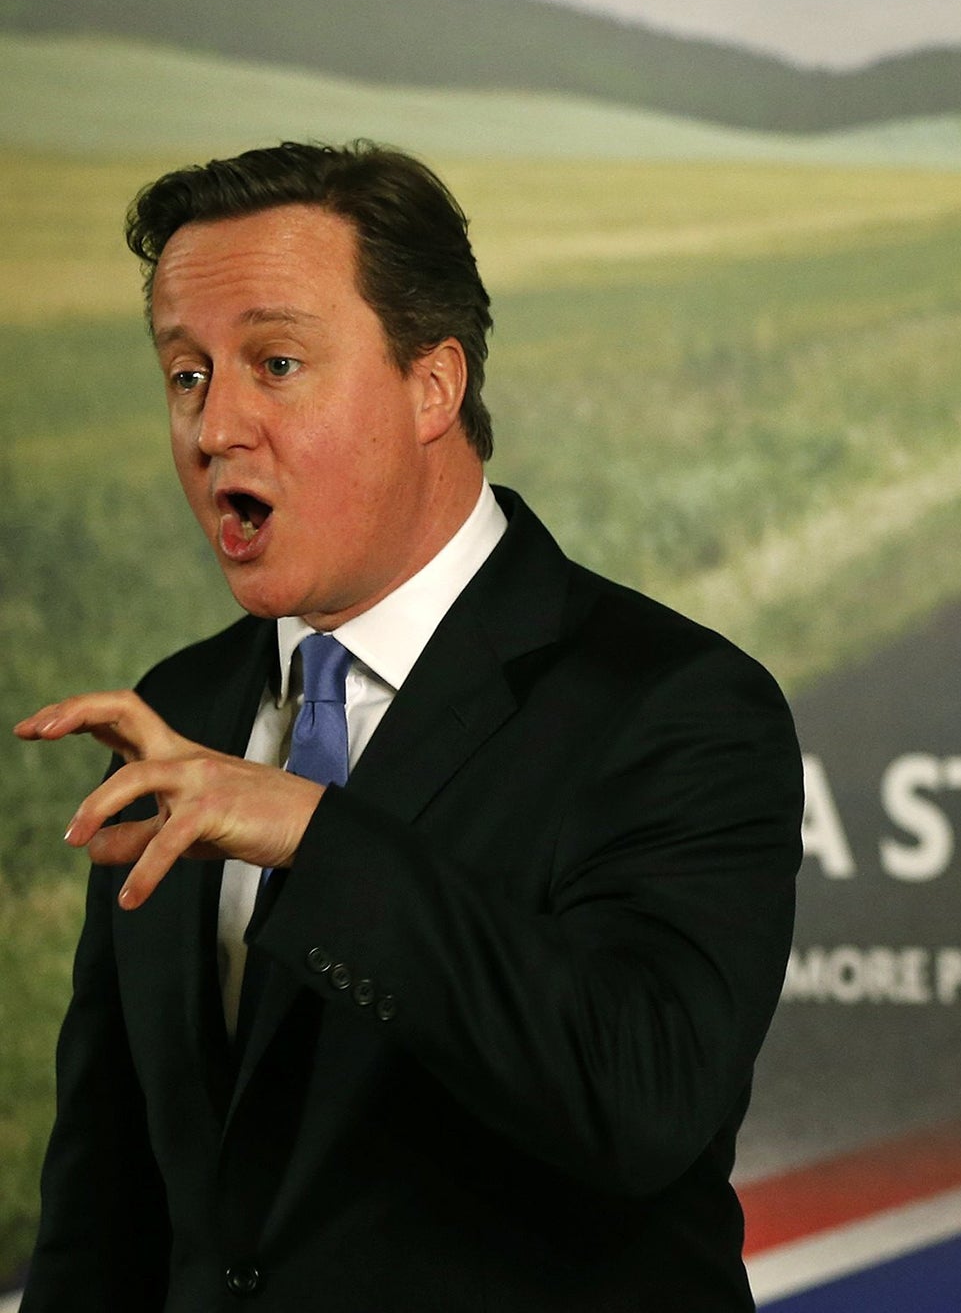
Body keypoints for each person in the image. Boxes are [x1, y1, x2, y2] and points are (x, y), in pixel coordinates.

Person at [13, 141, 803, 1311]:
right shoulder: (182, 707)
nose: (214, 424)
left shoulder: (673, 705)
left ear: (432, 386)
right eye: (186, 374)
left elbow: (640, 1100)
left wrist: (313, 836)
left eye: (274, 363)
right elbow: (109, 1201)